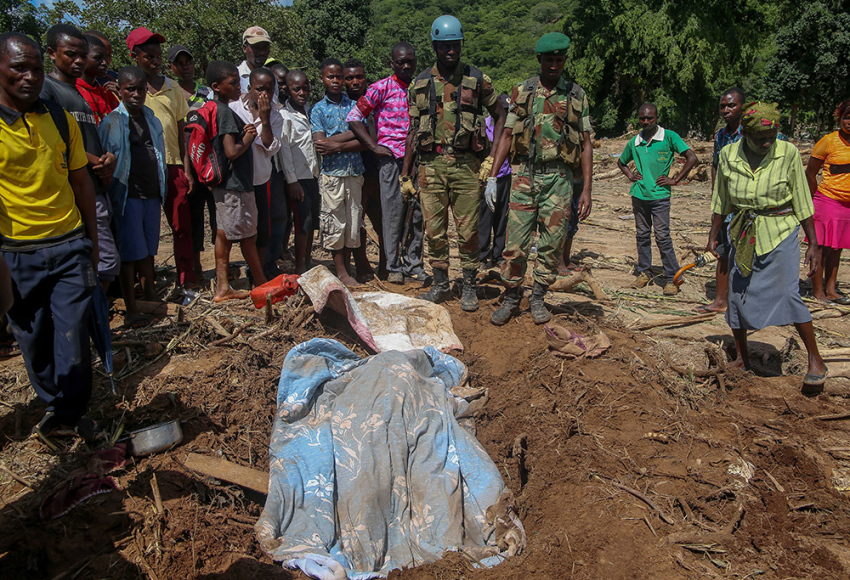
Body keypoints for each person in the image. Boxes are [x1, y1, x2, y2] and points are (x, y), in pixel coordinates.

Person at [0, 31, 101, 441]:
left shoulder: (58, 118)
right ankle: (52, 403)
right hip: (17, 252)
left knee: (74, 332)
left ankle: (71, 414)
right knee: (34, 337)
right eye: (18, 68)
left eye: (36, 69)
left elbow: (81, 183)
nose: (30, 77)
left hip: (69, 243)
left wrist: (91, 243)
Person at [709, 102, 827, 387]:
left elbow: (801, 196)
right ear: (745, 135)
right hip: (744, 232)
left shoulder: (786, 153)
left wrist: (813, 243)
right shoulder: (728, 155)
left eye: (771, 137)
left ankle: (815, 359)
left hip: (780, 229)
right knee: (737, 296)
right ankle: (742, 356)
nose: (766, 143)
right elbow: (721, 199)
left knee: (789, 293)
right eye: (759, 138)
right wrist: (713, 235)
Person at [486, 33, 593, 325]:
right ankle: (511, 297)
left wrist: (586, 190)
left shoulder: (576, 94)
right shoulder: (523, 91)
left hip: (560, 179)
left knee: (551, 243)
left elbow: (585, 144)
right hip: (525, 175)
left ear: (565, 61)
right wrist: (493, 176)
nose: (554, 65)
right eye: (549, 60)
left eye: (559, 60)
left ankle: (538, 297)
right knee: (515, 243)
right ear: (540, 60)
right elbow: (507, 134)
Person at [402, 16, 506, 310]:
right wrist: (405, 174)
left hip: (466, 166)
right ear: (435, 46)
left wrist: (490, 160)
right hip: (430, 165)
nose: (451, 50)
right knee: (434, 231)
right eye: (445, 45)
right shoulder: (420, 82)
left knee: (468, 230)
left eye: (455, 45)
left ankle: (470, 285)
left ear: (461, 45)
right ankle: (440, 284)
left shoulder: (477, 78)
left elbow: (500, 116)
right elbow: (412, 130)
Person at [41, 25, 119, 291]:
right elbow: (54, 142)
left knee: (100, 255)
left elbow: (85, 136)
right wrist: (92, 160)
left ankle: (96, 315)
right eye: (70, 54)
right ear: (51, 53)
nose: (78, 61)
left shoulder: (77, 93)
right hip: (71, 188)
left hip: (93, 184)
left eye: (82, 55)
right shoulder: (47, 91)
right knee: (100, 258)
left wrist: (106, 158)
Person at [348, 42, 426, 284]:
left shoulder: (420, 88)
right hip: (391, 160)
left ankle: (414, 264)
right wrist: (373, 146)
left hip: (417, 160)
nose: (405, 66)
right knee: (392, 213)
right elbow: (354, 117)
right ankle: (393, 266)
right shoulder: (381, 87)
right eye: (400, 61)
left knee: (416, 215)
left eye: (409, 61)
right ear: (392, 63)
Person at [127, 27, 196, 289]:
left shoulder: (173, 88)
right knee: (144, 228)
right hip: (142, 168)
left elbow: (181, 132)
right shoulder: (130, 88)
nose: (154, 61)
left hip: (173, 165)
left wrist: (187, 169)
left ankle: (186, 281)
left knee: (181, 226)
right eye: (149, 56)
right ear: (135, 56)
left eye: (157, 56)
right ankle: (146, 284)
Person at [99, 66, 167, 327]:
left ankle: (150, 296)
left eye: (141, 89)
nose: (136, 94)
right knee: (129, 254)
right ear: (120, 90)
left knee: (149, 249)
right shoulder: (111, 123)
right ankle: (131, 309)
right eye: (130, 89)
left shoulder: (151, 119)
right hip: (127, 195)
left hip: (151, 192)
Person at [617, 102, 697, 295]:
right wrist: (630, 175)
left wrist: (675, 179)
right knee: (642, 235)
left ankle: (672, 277)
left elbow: (692, 157)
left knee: (662, 237)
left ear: (656, 118)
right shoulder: (635, 141)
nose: (645, 121)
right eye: (642, 118)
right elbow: (621, 162)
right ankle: (644, 272)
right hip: (639, 195)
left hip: (660, 196)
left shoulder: (669, 137)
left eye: (649, 118)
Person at [205, 60, 268, 301]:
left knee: (223, 233)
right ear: (217, 86)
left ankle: (223, 286)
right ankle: (262, 286)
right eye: (232, 83)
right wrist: (250, 136)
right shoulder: (224, 113)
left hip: (225, 185)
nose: (237, 87)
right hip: (235, 185)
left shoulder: (214, 109)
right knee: (248, 237)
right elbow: (231, 151)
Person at [310, 58, 366, 285]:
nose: (335, 81)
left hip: (354, 171)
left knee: (353, 221)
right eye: (330, 76)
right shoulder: (318, 109)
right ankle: (341, 271)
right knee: (335, 222)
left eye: (338, 77)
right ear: (322, 78)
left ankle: (349, 268)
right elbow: (322, 145)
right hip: (333, 174)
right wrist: (352, 135)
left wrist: (339, 144)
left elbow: (364, 139)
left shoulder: (354, 105)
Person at [168, 44, 217, 281]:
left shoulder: (208, 92)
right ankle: (196, 267)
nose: (185, 67)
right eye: (179, 63)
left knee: (217, 217)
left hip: (208, 164)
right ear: (171, 67)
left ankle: (221, 268)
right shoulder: (170, 93)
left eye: (188, 62)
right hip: (187, 165)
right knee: (193, 217)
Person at [696, 87, 747, 313]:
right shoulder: (721, 135)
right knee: (722, 249)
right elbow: (715, 166)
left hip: (748, 203)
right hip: (726, 202)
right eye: (722, 106)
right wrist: (716, 195)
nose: (726, 110)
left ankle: (746, 302)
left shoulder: (753, 133)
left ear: (742, 107)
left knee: (748, 251)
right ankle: (720, 301)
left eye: (731, 105)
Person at [230, 67, 283, 279]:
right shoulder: (234, 108)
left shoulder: (276, 114)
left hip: (261, 178)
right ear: (249, 88)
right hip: (235, 179)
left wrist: (265, 118)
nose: (265, 95)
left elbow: (271, 146)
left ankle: (257, 275)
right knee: (233, 230)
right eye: (260, 89)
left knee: (262, 230)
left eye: (270, 90)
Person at [806, 100, 850, 305]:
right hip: (827, 201)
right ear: (840, 118)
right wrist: (815, 200)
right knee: (820, 248)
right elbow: (811, 173)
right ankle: (818, 292)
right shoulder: (828, 141)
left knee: (837, 248)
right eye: (846, 117)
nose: (849, 122)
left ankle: (831, 290)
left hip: (846, 206)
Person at [278, 69, 320, 274]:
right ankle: (300, 265)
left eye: (305, 88)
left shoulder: (311, 111)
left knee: (311, 220)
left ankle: (308, 258)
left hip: (313, 174)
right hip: (298, 178)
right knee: (302, 222)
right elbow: (284, 150)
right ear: (288, 90)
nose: (302, 93)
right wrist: (291, 180)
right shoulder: (285, 117)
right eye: (297, 89)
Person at [343, 58, 380, 279]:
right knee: (356, 221)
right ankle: (360, 264)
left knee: (381, 220)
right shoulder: (342, 105)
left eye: (359, 77)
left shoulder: (374, 102)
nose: (355, 82)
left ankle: (386, 265)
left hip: (376, 170)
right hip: (353, 171)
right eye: (349, 78)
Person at [478, 93, 511, 271]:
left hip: (505, 176)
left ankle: (498, 255)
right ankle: (482, 255)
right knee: (485, 217)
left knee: (501, 217)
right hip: (487, 178)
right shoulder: (484, 126)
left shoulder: (511, 128)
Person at [77, 34, 118, 124]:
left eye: (106, 57)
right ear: (82, 58)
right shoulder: (73, 91)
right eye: (97, 58)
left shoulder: (107, 92)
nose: (104, 63)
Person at [238, 27, 271, 93]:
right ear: (245, 48)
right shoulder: (235, 76)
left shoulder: (271, 76)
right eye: (256, 48)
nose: (262, 52)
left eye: (265, 48)